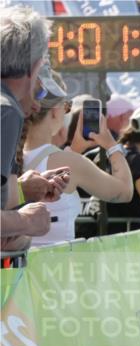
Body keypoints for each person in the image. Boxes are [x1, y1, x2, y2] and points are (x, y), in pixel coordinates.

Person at [21, 73, 134, 246]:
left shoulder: (12, 155)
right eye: (66, 106)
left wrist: (74, 150)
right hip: (56, 268)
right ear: (55, 112)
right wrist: (112, 145)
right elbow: (124, 192)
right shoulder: (69, 162)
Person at [1, 6, 70, 249]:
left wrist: (21, 190)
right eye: (41, 89)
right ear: (34, 68)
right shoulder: (7, 110)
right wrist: (26, 222)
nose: (38, 103)